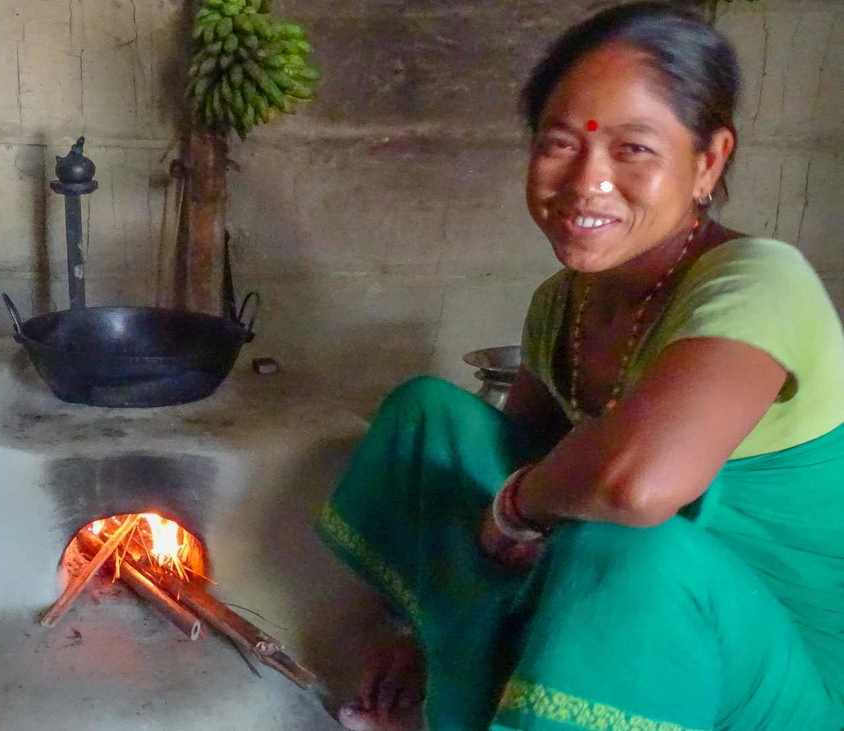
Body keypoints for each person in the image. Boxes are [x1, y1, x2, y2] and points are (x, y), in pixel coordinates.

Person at [317, 3, 844, 729]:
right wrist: (420, 627)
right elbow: (492, 478)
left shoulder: (760, 280)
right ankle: (457, 682)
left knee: (623, 538)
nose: (585, 182)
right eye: (560, 145)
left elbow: (635, 486)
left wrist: (519, 504)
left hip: (775, 679)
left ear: (709, 160)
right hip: (633, 626)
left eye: (633, 150)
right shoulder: (561, 304)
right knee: (429, 418)